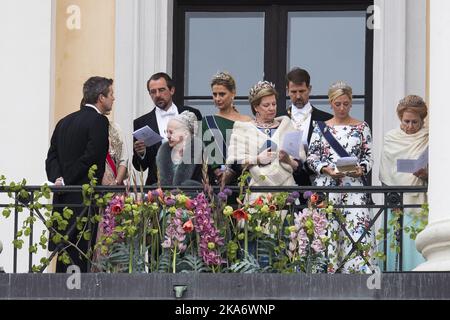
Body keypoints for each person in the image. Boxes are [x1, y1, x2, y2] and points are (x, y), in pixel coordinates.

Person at [45, 76, 113, 272]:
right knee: (81, 258)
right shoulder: (99, 121)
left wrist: (58, 178)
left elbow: (51, 158)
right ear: (101, 97)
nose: (113, 99)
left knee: (64, 257)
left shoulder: (64, 122)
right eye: (111, 95)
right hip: (84, 200)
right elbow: (93, 157)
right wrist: (68, 180)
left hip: (62, 200)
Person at [306, 81, 374, 274]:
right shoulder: (321, 128)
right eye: (338, 104)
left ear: (351, 102)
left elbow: (369, 157)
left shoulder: (362, 127)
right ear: (331, 103)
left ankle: (357, 275)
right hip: (327, 188)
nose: (342, 108)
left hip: (353, 188)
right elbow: (311, 158)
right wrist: (326, 169)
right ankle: (325, 276)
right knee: (328, 232)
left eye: (346, 103)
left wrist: (361, 169)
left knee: (355, 231)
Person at [227, 81, 305, 201]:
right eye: (266, 105)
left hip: (285, 193)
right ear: (255, 107)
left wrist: (287, 160)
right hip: (257, 194)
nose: (271, 108)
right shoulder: (242, 129)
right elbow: (235, 164)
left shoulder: (287, 125)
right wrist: (257, 159)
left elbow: (299, 165)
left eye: (274, 104)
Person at [379, 95, 428, 271]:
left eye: (415, 122)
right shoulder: (391, 138)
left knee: (417, 246)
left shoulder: (429, 137)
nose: (409, 126)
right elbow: (385, 171)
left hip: (419, 202)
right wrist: (392, 199)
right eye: (406, 121)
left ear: (422, 120)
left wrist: (426, 174)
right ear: (400, 118)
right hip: (396, 203)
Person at [132, 72, 202, 185]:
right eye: (153, 92)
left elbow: (200, 150)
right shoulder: (141, 123)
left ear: (172, 90)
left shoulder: (192, 114)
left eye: (161, 90)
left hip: (190, 186)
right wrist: (141, 153)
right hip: (156, 189)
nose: (157, 95)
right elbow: (140, 166)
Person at [202, 71, 252, 186]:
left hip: (244, 179)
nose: (217, 98)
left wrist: (233, 171)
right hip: (218, 182)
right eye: (215, 94)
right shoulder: (207, 121)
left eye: (222, 94)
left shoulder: (247, 121)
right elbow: (207, 153)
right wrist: (219, 172)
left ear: (233, 93)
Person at [286, 67, 332, 186]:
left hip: (316, 182)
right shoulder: (279, 118)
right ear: (287, 91)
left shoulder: (326, 119)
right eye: (293, 92)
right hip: (285, 182)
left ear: (309, 89)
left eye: (302, 91)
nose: (298, 96)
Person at [156, 111, 203, 186]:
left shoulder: (201, 152)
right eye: (166, 132)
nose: (167, 136)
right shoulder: (163, 153)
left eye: (171, 132)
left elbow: (206, 184)